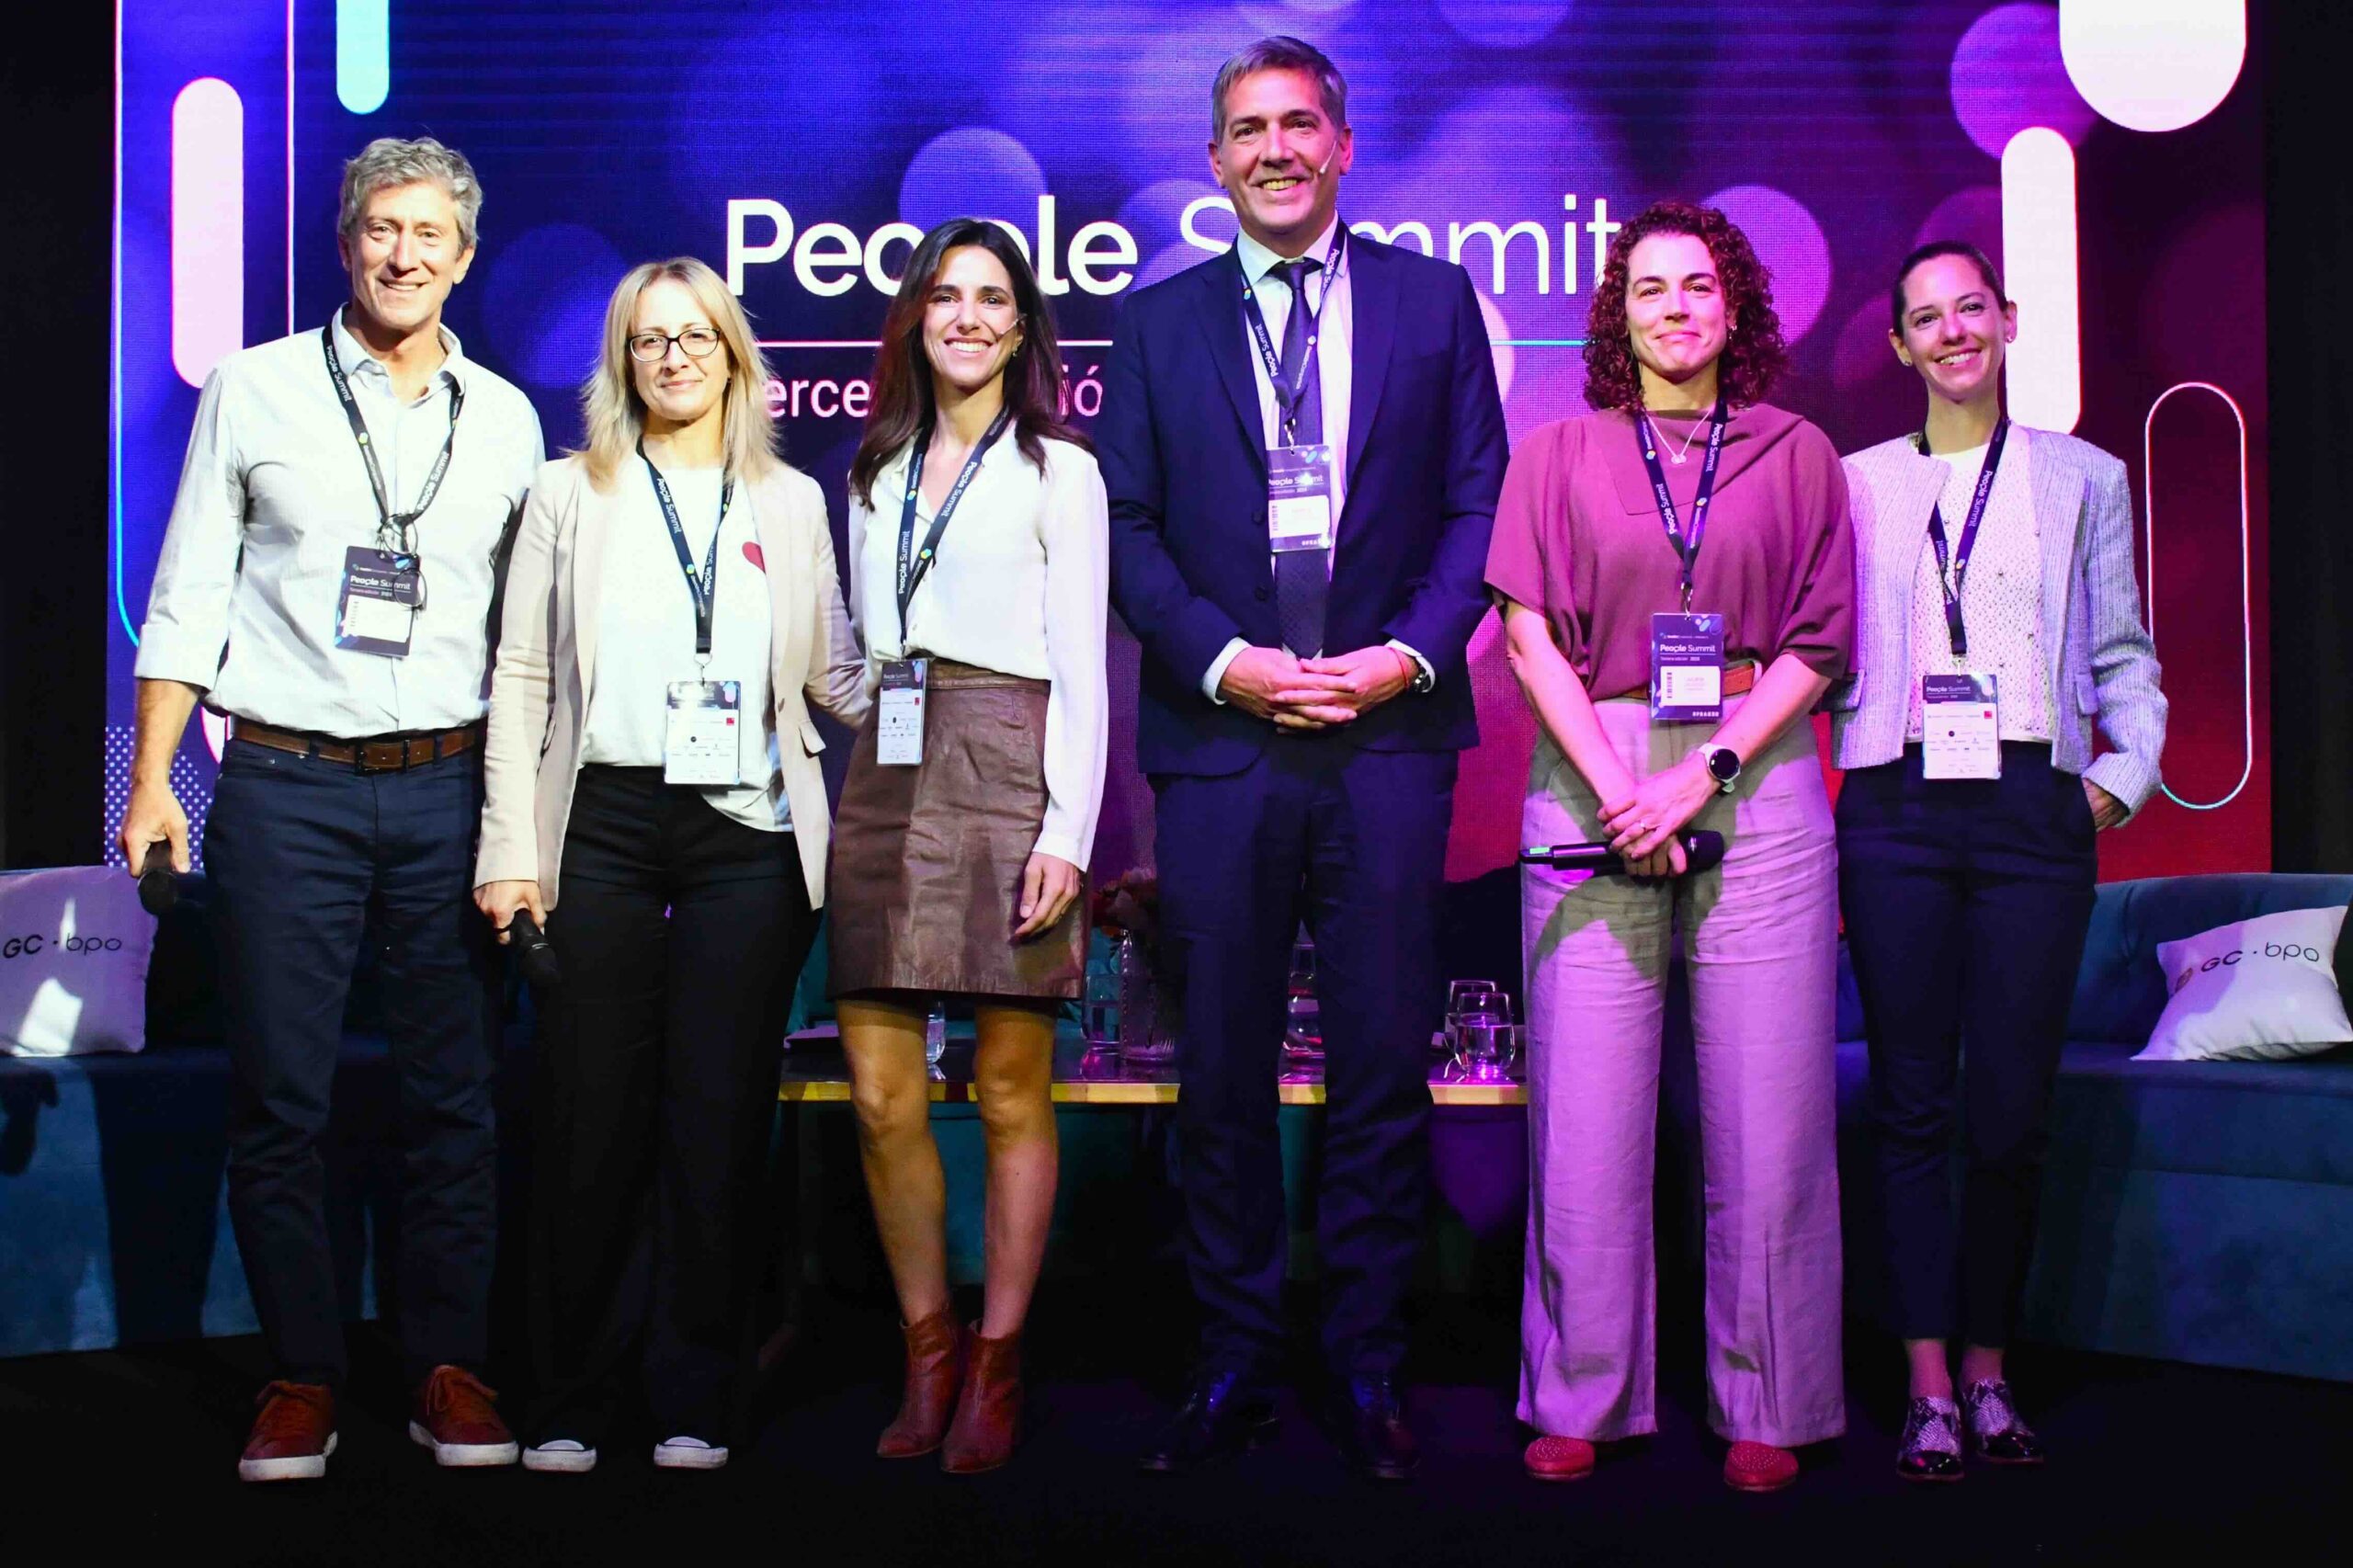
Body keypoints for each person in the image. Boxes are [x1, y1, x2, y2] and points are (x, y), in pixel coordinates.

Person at [1099, 36, 1507, 1483]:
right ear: (1215, 160)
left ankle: (1373, 1359)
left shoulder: (1432, 301)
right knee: (1219, 1070)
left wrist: (1405, 655)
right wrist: (1231, 661)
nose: (1274, 149)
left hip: (1388, 738)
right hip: (1224, 743)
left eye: (1297, 124)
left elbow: (1478, 507)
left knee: (1385, 1064)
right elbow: (1125, 528)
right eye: (1247, 129)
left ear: (1343, 143)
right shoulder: (1157, 326)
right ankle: (1233, 1358)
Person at [119, 137, 543, 1482]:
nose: (403, 255)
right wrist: (152, 778)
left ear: (463, 257)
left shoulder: (507, 419)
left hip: (449, 786)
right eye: (382, 229)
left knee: (455, 1100)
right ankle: (302, 1373)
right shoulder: (254, 388)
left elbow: (527, 646)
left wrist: (523, 821)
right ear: (347, 241)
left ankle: (447, 1367)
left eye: (430, 235)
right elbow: (187, 588)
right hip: (284, 786)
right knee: (281, 1099)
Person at [472, 257, 867, 1472]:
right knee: (588, 1111)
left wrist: (959, 683)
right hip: (599, 821)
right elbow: (522, 677)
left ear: (735, 355)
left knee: (718, 1114)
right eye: (651, 340)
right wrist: (508, 850)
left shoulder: (792, 501)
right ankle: (571, 1395)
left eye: (697, 336)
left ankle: (695, 1391)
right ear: (624, 362)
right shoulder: (567, 491)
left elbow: (834, 673)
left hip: (749, 833)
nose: (675, 357)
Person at [1485, 199, 1855, 1494]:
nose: (1676, 308)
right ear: (1618, 314)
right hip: (1593, 770)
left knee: (1771, 1112)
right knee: (1583, 1117)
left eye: (1698, 286)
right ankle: (1581, 1393)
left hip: (1753, 772)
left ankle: (1772, 1400)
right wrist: (1618, 791)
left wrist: (1699, 774)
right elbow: (1527, 635)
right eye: (1650, 288)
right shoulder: (1557, 452)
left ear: (1733, 304)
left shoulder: (1798, 452)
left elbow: (1819, 642)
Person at [1835, 240, 2165, 1481]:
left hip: (2034, 805)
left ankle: (1989, 1368)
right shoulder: (1857, 482)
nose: (1954, 331)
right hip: (1897, 801)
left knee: (2012, 1109)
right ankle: (1926, 1381)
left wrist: (2115, 780)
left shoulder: (2087, 476)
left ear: (2009, 320)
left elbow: (2125, 649)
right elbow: (1822, 640)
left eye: (1971, 307)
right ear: (1900, 346)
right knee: (1910, 1100)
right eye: (1927, 317)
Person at [830, 217, 1108, 1475]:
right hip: (889, 767)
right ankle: (926, 1345)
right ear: (917, 315)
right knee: (883, 1095)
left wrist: (1068, 832)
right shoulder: (873, 470)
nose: (969, 318)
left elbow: (1084, 670)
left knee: (1007, 1088)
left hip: (1012, 766)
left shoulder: (1061, 471)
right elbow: (862, 653)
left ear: (1023, 325)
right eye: (947, 296)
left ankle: (998, 1357)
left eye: (994, 299)